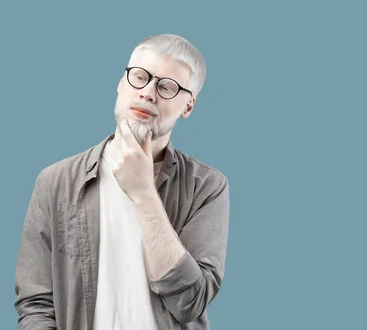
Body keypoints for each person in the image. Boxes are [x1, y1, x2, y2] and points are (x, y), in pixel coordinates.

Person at [14, 34, 230, 330]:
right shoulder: (56, 182)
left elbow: (191, 301)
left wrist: (143, 193)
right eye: (140, 77)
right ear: (121, 83)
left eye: (167, 87)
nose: (148, 93)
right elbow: (36, 304)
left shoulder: (207, 186)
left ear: (188, 106)